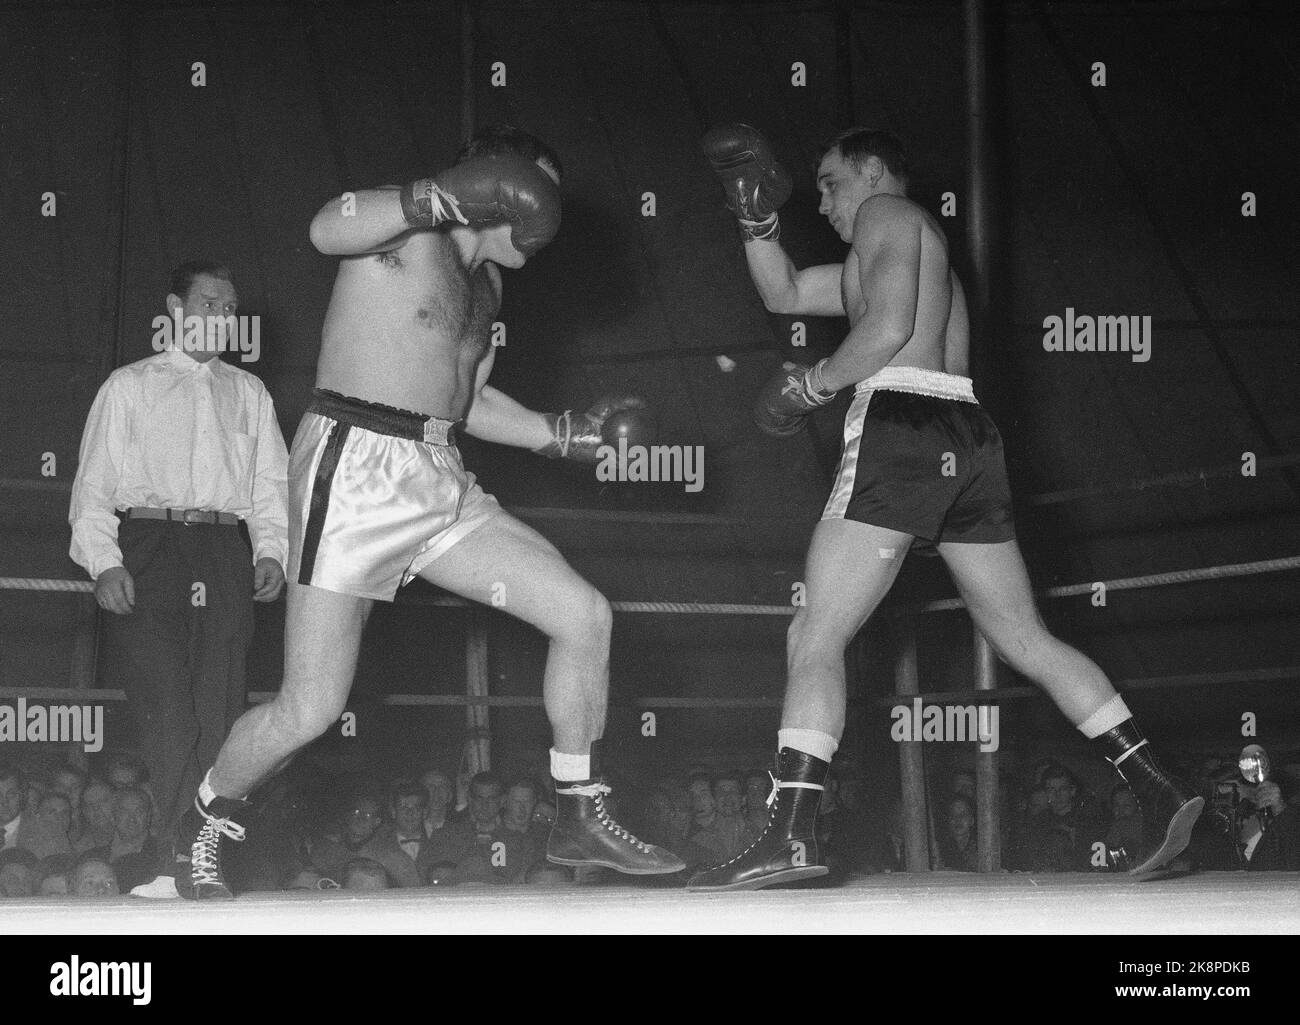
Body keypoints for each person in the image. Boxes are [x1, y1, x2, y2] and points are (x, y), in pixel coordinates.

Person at [687, 124, 1202, 890]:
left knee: (817, 629)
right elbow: (786, 291)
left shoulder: (885, 216)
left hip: (902, 421)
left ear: (869, 172)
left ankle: (790, 833)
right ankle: (1159, 786)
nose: (822, 200)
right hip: (967, 432)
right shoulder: (911, 246)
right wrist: (754, 222)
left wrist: (814, 385)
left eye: (829, 182)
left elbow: (888, 329)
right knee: (1023, 633)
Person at [175, 126, 683, 897]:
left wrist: (563, 436)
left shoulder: (490, 289)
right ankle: (204, 825)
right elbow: (324, 226)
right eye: (528, 192)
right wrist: (436, 196)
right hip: (353, 461)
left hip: (440, 471)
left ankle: (578, 806)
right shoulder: (405, 233)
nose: (542, 222)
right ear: (491, 183)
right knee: (310, 706)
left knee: (584, 613)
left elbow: (470, 402)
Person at [69, 261, 290, 843]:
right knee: (168, 710)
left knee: (219, 708)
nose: (221, 317)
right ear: (175, 308)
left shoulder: (248, 392)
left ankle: (206, 851)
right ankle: (173, 856)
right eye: (210, 304)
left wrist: (270, 551)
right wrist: (106, 561)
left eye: (228, 307)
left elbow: (271, 486)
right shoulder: (129, 385)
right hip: (149, 549)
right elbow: (92, 488)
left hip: (222, 551)